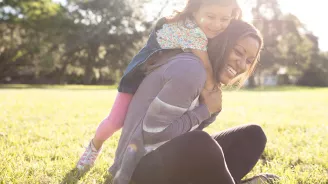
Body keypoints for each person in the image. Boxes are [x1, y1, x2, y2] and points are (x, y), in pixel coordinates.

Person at [77, 0, 242, 170]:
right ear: (194, 12)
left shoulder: (207, 31)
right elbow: (206, 67)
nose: (217, 24)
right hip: (139, 77)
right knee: (116, 120)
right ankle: (94, 147)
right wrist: (213, 93)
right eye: (210, 16)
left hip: (164, 80)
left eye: (224, 19)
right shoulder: (192, 31)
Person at [109, 20, 279, 184]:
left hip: (166, 156)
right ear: (222, 43)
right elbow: (153, 133)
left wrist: (210, 111)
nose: (242, 64)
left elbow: (185, 134)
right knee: (200, 142)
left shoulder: (209, 82)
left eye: (249, 61)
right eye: (238, 52)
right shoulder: (190, 70)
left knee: (252, 135)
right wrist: (205, 111)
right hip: (138, 166)